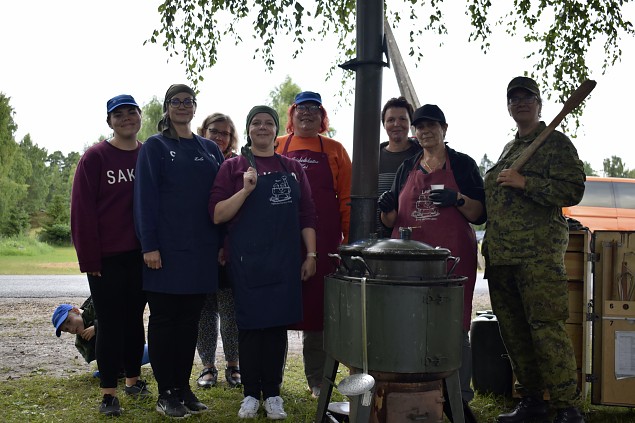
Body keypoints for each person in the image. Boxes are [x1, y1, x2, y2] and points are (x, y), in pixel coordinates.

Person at [482, 76, 586, 423]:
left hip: (537, 257)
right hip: (502, 256)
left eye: (527, 97)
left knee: (547, 329)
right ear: (509, 106)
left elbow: (573, 190)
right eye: (514, 98)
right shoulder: (510, 148)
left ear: (539, 103)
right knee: (514, 332)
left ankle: (566, 407)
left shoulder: (555, 144)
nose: (521, 103)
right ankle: (532, 401)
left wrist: (526, 182)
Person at [379, 104, 485, 418]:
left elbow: (480, 215)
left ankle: (458, 398)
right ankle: (418, 391)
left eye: (432, 126)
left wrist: (459, 198)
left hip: (452, 259)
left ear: (444, 129)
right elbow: (390, 221)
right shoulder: (407, 166)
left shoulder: (463, 164)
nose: (425, 132)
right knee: (410, 324)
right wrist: (386, 208)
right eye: (420, 127)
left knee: (453, 326)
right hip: (409, 260)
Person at [210, 105, 317, 419]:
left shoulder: (293, 168)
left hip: (285, 260)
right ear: (248, 130)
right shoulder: (233, 168)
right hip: (246, 261)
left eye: (268, 123)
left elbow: (307, 214)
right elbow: (217, 214)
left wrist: (310, 254)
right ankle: (249, 395)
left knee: (275, 328)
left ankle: (272, 394)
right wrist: (245, 190)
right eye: (255, 123)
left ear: (276, 130)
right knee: (251, 328)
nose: (262, 127)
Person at [134, 84, 224, 418]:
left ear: (195, 107)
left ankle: (183, 387)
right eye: (176, 101)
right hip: (164, 252)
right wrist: (150, 245)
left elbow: (218, 200)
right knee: (164, 319)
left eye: (188, 101)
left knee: (190, 322)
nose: (183, 106)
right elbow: (145, 198)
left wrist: (220, 245)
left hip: (200, 253)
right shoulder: (155, 147)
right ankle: (165, 392)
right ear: (167, 107)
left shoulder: (209, 149)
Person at [70, 94, 150, 417]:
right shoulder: (95, 158)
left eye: (132, 112)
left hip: (144, 256)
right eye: (119, 114)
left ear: (140, 116)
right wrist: (90, 259)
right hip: (106, 260)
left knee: (135, 320)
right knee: (110, 323)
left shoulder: (148, 155)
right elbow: (82, 212)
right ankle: (108, 393)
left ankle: (133, 380)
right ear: (109, 122)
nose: (126, 118)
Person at [275, 91, 352, 398]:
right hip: (279, 240)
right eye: (301, 108)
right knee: (275, 309)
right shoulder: (278, 145)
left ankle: (317, 382)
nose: (307, 113)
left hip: (323, 241)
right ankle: (271, 380)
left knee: (318, 312)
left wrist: (349, 242)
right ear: (291, 115)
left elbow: (347, 198)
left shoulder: (334, 149)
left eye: (313, 109)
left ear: (323, 117)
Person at [194, 113, 241, 388]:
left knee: (230, 310)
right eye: (214, 130)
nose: (219, 136)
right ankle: (207, 367)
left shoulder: (236, 165)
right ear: (204, 131)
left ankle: (234, 366)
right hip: (199, 247)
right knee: (205, 311)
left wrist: (225, 245)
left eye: (225, 132)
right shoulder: (195, 159)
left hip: (227, 247)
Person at [52, 297, 150, 377]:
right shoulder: (81, 338)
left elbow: (120, 317)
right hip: (118, 359)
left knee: (156, 350)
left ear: (76, 311)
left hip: (132, 348)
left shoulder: (94, 307)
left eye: (69, 321)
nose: (71, 329)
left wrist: (98, 327)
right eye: (66, 329)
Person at [377, 96, 421, 238]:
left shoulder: (423, 155)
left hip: (417, 238)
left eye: (402, 119)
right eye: (390, 120)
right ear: (383, 124)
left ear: (411, 123)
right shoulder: (371, 159)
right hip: (379, 238)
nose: (396, 124)